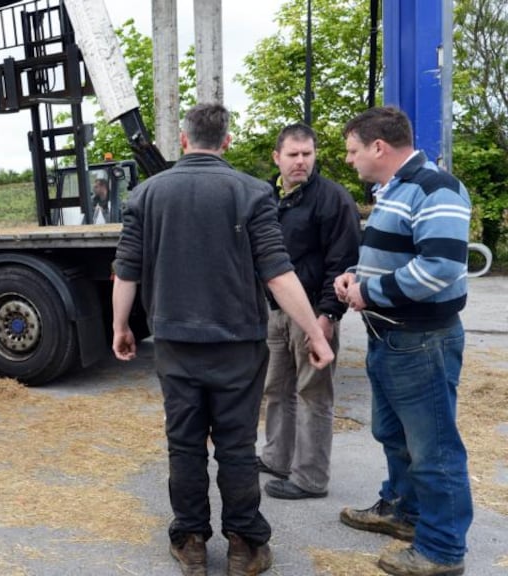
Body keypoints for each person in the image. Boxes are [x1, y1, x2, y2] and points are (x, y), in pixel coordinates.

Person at [112, 103, 334, 576]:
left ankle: (191, 541)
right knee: (236, 446)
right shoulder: (252, 192)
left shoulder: (146, 194)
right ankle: (245, 546)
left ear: (183, 140)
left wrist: (120, 326)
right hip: (239, 345)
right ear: (227, 142)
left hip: (175, 343)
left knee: (184, 444)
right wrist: (315, 333)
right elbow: (278, 272)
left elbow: (126, 269)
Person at [334, 105, 472, 576]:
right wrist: (355, 275)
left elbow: (441, 267)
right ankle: (404, 512)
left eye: (353, 150)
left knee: (434, 450)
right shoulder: (395, 189)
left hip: (421, 340)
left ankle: (442, 550)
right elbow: (398, 255)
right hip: (391, 336)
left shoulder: (436, 188)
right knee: (393, 435)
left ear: (378, 147)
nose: (349, 159)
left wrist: (369, 292)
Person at [257, 123, 361, 500]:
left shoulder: (333, 199)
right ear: (277, 157)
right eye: (293, 154)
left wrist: (328, 316)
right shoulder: (265, 197)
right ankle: (277, 458)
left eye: (307, 154)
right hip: (275, 311)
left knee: (313, 393)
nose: (301, 161)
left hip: (313, 312)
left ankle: (310, 477)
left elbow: (343, 263)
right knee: (276, 388)